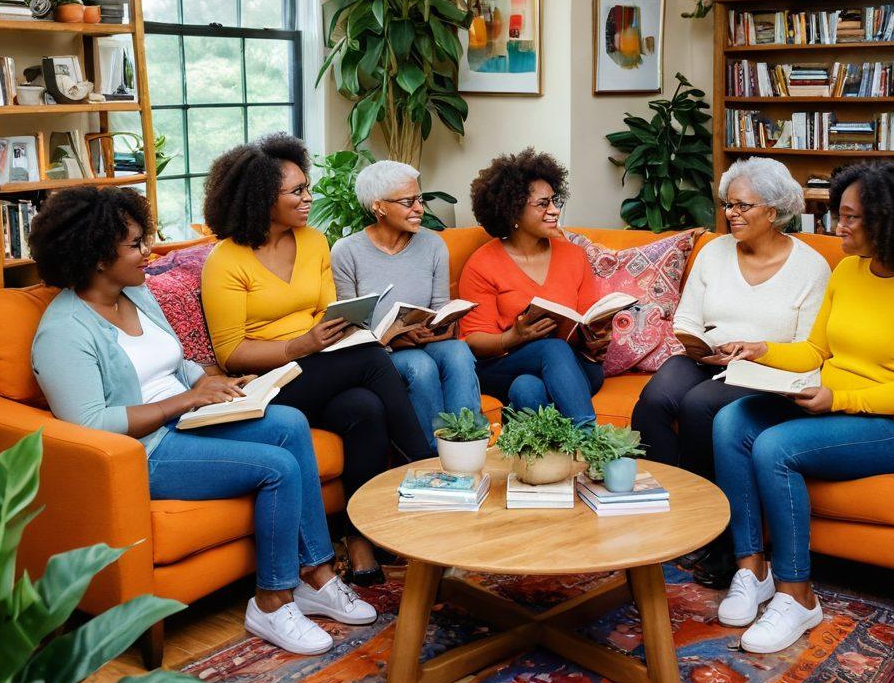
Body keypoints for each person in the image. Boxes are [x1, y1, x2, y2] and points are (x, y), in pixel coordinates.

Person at [30, 187, 376, 656]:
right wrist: (186, 401)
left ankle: (315, 573)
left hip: (189, 417)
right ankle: (271, 602)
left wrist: (227, 383)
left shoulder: (136, 293)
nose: (147, 252)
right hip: (146, 449)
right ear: (95, 256)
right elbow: (92, 425)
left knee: (290, 422)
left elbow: (177, 365)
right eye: (134, 245)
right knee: (279, 467)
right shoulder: (63, 331)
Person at [711, 161, 894, 653]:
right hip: (829, 404)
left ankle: (798, 595)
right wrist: (761, 349)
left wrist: (837, 399)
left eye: (849, 218)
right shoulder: (848, 270)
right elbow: (815, 352)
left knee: (775, 447)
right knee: (730, 420)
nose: (836, 226)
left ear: (889, 221)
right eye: (837, 214)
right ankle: (750, 569)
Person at [200, 134, 433, 586]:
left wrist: (347, 329)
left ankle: (358, 536)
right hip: (267, 378)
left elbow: (329, 314)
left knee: (364, 408)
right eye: (297, 191)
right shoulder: (225, 261)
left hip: (321, 365)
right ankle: (424, 467)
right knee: (371, 359)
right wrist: (299, 346)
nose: (309, 198)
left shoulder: (313, 242)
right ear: (261, 198)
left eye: (308, 188)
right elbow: (230, 353)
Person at [631, 157, 830, 586]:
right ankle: (665, 517)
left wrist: (755, 354)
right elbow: (685, 320)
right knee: (655, 400)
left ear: (773, 212)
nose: (731, 214)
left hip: (767, 370)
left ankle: (720, 537)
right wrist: (702, 348)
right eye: (727, 204)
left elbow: (810, 348)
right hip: (709, 357)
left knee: (701, 405)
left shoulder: (812, 267)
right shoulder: (714, 252)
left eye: (742, 206)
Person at [331, 160, 481, 449]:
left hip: (426, 340)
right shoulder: (346, 251)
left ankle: (467, 445)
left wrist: (437, 328)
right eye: (408, 201)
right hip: (380, 353)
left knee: (459, 351)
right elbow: (350, 329)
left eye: (420, 199)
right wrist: (396, 339)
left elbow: (441, 309)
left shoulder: (434, 245)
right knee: (420, 366)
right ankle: (431, 457)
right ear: (379, 207)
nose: (419, 209)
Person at [459, 148, 610, 425]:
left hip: (574, 366)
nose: (554, 211)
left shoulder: (573, 256)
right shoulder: (482, 264)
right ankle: (591, 444)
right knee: (551, 350)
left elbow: (589, 318)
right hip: (504, 363)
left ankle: (541, 463)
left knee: (527, 389)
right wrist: (512, 337)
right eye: (543, 204)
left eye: (555, 201)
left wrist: (597, 336)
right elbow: (473, 342)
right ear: (513, 209)